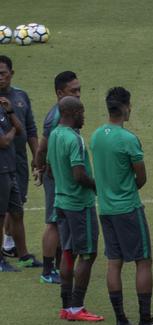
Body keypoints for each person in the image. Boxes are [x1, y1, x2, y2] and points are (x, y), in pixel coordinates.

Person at [91, 87, 153, 325]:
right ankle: (145, 319)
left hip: (105, 209)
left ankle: (121, 319)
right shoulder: (128, 139)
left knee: (114, 262)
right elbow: (141, 177)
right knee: (143, 261)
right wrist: (128, 190)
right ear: (125, 107)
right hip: (128, 208)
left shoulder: (95, 136)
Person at [45, 96, 104, 321]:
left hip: (60, 202)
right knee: (88, 254)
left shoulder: (54, 135)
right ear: (72, 113)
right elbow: (79, 175)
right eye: (82, 112)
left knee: (68, 251)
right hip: (79, 205)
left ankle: (66, 306)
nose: (84, 116)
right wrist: (97, 186)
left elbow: (49, 170)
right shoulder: (74, 139)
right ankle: (77, 307)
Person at [32, 70, 80, 284]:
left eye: (79, 90)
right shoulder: (56, 118)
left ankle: (60, 266)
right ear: (60, 93)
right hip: (55, 175)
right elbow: (42, 148)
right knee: (53, 221)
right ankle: (47, 271)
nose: (78, 94)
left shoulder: (68, 112)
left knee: (60, 221)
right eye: (73, 90)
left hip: (61, 174)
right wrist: (40, 168)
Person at [0, 55, 40, 270]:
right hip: (1, 164)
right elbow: (8, 139)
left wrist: (37, 156)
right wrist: (16, 127)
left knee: (16, 207)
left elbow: (31, 129)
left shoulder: (20, 96)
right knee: (2, 209)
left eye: (2, 73)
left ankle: (16, 250)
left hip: (19, 162)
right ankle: (6, 248)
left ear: (11, 74)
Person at [0, 74, 23, 273]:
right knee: (0, 216)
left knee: (16, 212)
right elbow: (4, 141)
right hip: (0, 171)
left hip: (10, 168)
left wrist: (10, 111)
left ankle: (23, 256)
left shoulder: (3, 106)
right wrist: (14, 130)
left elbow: (21, 128)